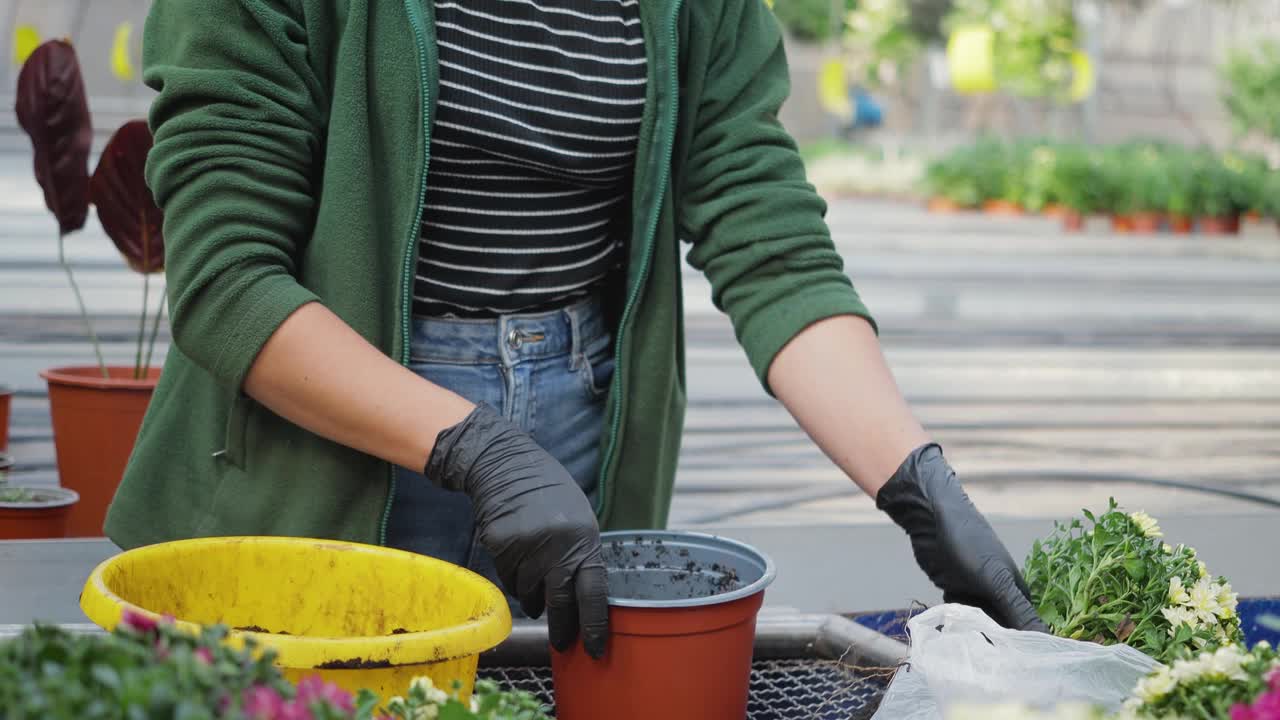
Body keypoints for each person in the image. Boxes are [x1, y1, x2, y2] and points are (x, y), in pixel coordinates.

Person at [108, 0, 1046, 661]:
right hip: (326, 457)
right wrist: (477, 448)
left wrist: (916, 483)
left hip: (577, 454)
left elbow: (771, 243)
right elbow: (227, 280)